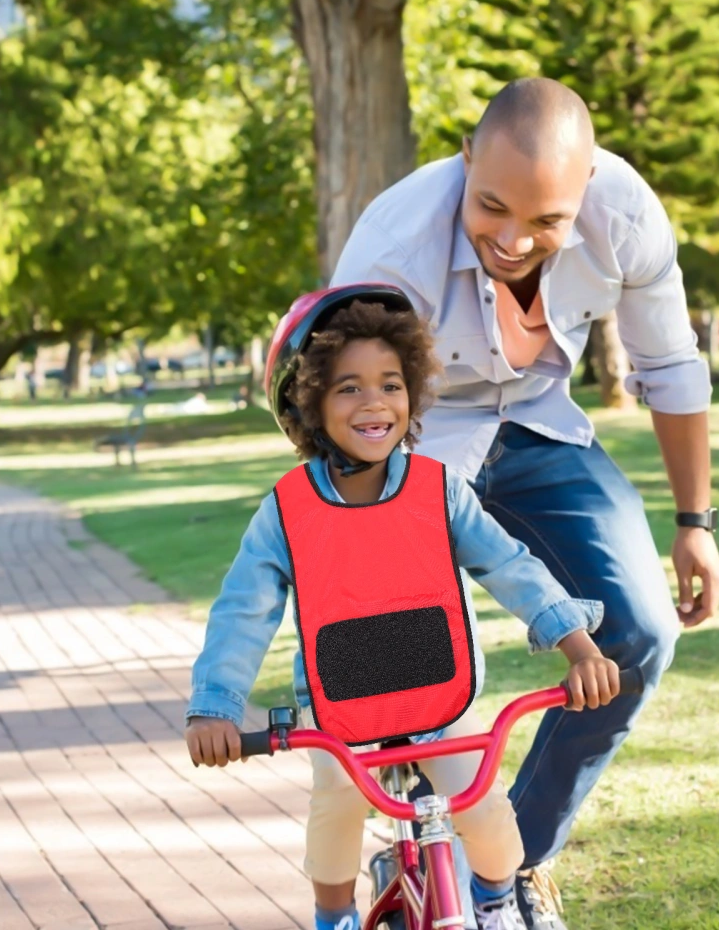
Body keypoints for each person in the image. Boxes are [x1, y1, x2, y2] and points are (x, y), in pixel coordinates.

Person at [331, 78, 719, 930]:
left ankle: (514, 865)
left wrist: (695, 524)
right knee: (403, 652)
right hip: (415, 440)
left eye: (545, 221)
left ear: (586, 190)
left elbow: (672, 367)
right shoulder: (393, 247)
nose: (513, 240)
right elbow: (344, 411)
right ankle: (419, 844)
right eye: (491, 208)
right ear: (466, 160)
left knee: (641, 632)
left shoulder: (626, 216)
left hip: (544, 427)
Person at [184, 285, 621, 930]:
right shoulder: (287, 511)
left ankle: (497, 900)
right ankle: (332, 917)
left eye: (391, 384)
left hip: (437, 693)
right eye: (348, 388)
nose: (375, 404)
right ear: (307, 406)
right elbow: (242, 612)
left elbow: (506, 563)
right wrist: (214, 709)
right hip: (339, 708)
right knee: (334, 803)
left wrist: (576, 643)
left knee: (485, 809)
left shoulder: (436, 488)